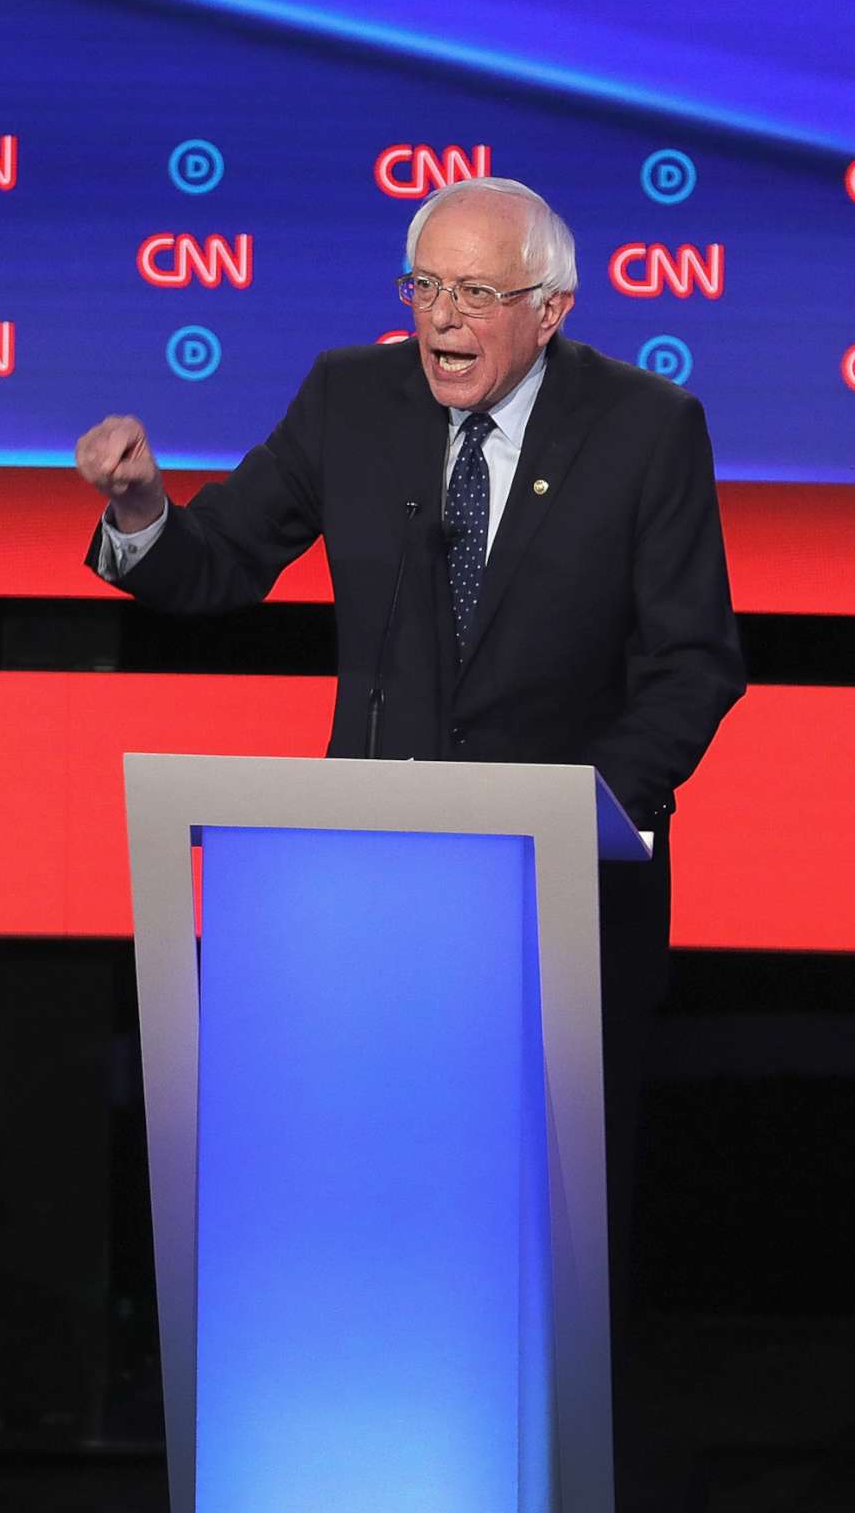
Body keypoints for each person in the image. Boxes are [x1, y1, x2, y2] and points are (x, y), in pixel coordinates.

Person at [76, 175, 745, 1486]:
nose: (443, 321)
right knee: (355, 1213)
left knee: (538, 1242)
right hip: (359, 907)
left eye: (476, 296)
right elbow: (215, 568)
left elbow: (695, 664)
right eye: (424, 288)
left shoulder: (648, 427)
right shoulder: (352, 400)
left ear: (548, 310)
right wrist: (146, 512)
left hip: (561, 909)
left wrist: (583, 814)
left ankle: (538, 1467)